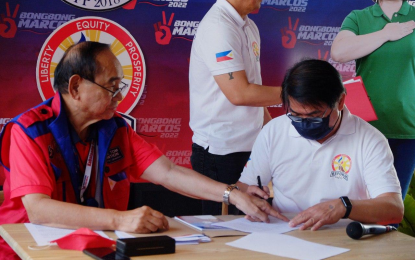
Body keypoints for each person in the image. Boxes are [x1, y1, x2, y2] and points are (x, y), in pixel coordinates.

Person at [0, 41, 285, 259]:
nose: (120, 96)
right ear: (75, 87)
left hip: (91, 245)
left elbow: (168, 172)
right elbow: (38, 210)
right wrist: (121, 219)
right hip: (27, 250)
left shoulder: (114, 128)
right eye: (112, 87)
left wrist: (233, 194)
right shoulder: (30, 131)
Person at [237, 59, 404, 230]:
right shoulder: (274, 131)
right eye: (295, 115)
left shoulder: (369, 140)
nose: (304, 123)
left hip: (346, 237)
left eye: (314, 116)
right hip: (285, 231)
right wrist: (248, 196)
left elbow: (394, 208)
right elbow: (245, 187)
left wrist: (344, 207)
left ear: (340, 101)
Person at [189, 0, 282, 215]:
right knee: (222, 237)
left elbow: (253, 93)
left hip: (248, 150)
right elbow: (239, 93)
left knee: (252, 229)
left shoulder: (247, 25)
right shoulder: (219, 26)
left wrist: (272, 135)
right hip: (221, 153)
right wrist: (298, 94)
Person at [331, 0, 415, 200]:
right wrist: (387, 33)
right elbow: (339, 52)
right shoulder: (359, 17)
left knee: (391, 207)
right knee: (359, 202)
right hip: (364, 127)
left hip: (408, 128)